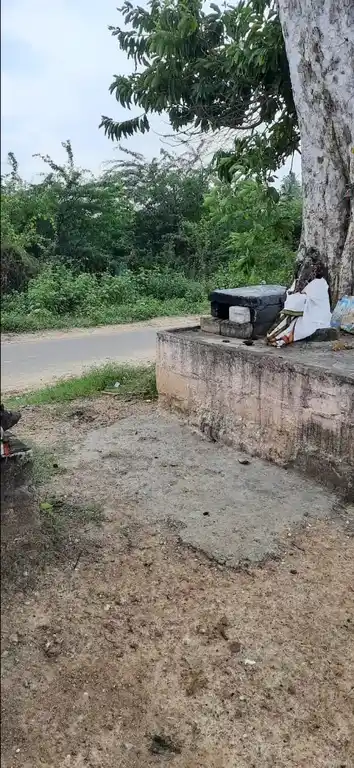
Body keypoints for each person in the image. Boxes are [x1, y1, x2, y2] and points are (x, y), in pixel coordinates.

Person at [267, 261, 332, 347]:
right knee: (292, 318)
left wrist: (295, 293)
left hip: (316, 316)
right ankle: (277, 336)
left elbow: (302, 297)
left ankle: (278, 338)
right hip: (315, 313)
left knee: (293, 322)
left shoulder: (316, 284)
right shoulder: (321, 282)